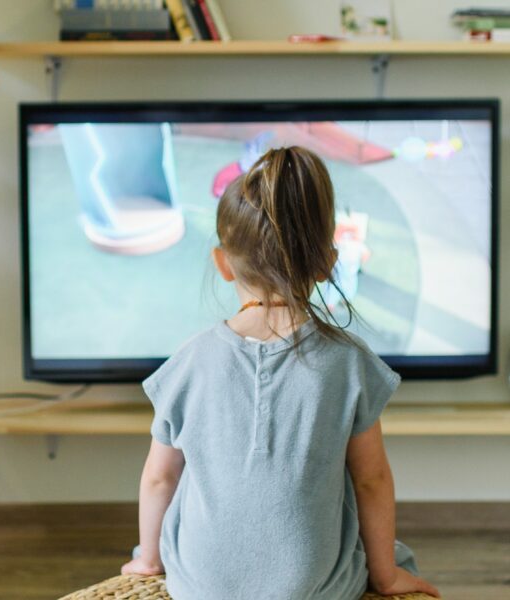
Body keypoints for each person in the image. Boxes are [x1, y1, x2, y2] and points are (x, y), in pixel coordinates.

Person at [121, 146, 441, 600]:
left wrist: (148, 560)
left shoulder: (187, 361)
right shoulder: (348, 362)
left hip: (200, 586)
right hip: (312, 588)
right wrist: (387, 578)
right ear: (329, 263)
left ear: (223, 264)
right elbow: (371, 480)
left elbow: (159, 478)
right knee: (393, 550)